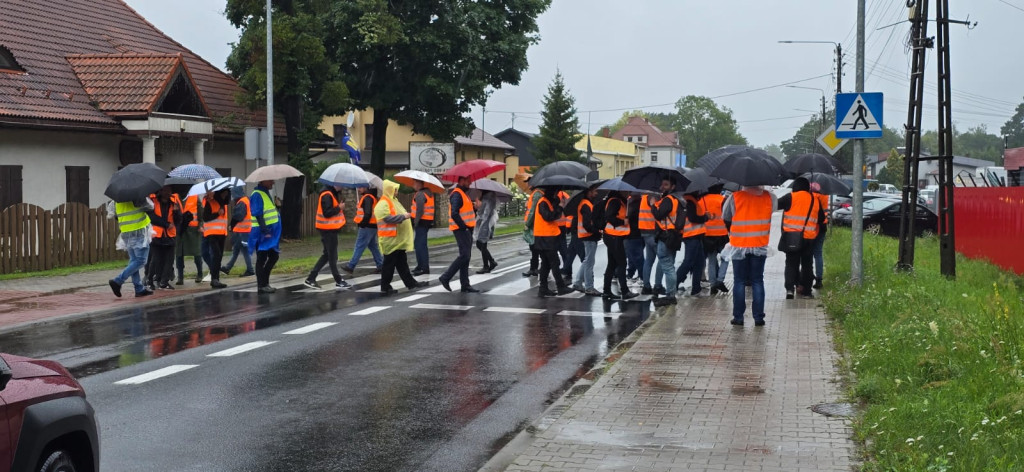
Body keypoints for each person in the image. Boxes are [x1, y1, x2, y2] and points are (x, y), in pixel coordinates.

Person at [723, 185, 777, 326]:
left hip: (739, 244)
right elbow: (772, 212)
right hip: (760, 244)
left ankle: (738, 317)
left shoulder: (735, 197)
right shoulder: (770, 197)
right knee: (757, 280)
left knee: (739, 281)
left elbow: (726, 217)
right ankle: (758, 318)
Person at [375, 180, 430, 295]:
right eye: (395, 189)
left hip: (396, 240)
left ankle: (410, 283)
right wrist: (403, 217)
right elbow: (387, 218)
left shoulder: (393, 201)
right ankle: (385, 286)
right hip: (390, 239)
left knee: (401, 263)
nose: (396, 192)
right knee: (389, 264)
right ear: (389, 190)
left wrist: (404, 216)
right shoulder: (383, 203)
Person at [778, 177, 823, 299]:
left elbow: (776, 204)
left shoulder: (790, 197)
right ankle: (807, 291)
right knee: (807, 264)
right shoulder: (815, 200)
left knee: (791, 264)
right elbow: (821, 219)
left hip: (791, 237)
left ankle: (789, 289)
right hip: (809, 238)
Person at [304, 184, 351, 290]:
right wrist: (339, 208)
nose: (342, 187)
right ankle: (338, 280)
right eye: (341, 184)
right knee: (332, 256)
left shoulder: (330, 194)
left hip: (329, 229)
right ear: (335, 184)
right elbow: (327, 213)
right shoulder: (327, 195)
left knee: (327, 255)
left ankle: (311, 278)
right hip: (328, 229)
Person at [108, 196, 156, 298]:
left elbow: (113, 214)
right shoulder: (137, 197)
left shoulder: (116, 200)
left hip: (126, 231)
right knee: (141, 261)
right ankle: (118, 281)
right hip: (139, 230)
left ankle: (139, 289)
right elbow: (151, 207)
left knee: (134, 260)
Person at [440, 176, 480, 293]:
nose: (470, 183)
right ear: (461, 181)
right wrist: (464, 227)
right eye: (468, 181)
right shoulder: (457, 194)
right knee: (464, 256)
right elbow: (454, 213)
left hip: (466, 229)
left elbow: (466, 212)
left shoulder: (463, 194)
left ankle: (465, 285)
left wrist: (475, 208)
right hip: (461, 229)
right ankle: (446, 277)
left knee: (466, 257)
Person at [534, 187, 573, 297]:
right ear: (552, 193)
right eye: (556, 193)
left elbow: (554, 214)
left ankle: (543, 288)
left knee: (546, 264)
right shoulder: (543, 202)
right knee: (554, 262)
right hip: (545, 237)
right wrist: (560, 206)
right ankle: (560, 287)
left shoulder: (548, 202)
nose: (557, 195)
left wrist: (558, 204)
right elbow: (549, 217)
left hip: (545, 237)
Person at [650, 177, 680, 307]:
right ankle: (670, 294)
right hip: (672, 236)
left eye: (666, 185)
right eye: (662, 184)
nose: (663, 187)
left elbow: (659, 215)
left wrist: (653, 205)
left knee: (668, 267)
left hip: (666, 236)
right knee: (670, 266)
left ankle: (670, 295)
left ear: (672, 187)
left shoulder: (668, 200)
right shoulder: (675, 199)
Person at [603, 191, 638, 300]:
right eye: (627, 191)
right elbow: (609, 217)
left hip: (614, 236)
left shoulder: (620, 201)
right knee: (622, 263)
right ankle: (624, 291)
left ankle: (606, 291)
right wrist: (623, 222)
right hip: (614, 236)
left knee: (612, 264)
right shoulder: (615, 201)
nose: (628, 193)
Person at [249, 180, 282, 293]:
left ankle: (264, 283)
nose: (273, 182)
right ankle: (261, 285)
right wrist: (265, 230)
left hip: (268, 232)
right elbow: (258, 214)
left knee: (273, 256)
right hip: (261, 233)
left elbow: (269, 213)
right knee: (262, 258)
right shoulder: (257, 194)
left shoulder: (265, 193)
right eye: (270, 181)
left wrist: (278, 207)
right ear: (263, 181)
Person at [343, 186, 383, 273]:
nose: (358, 189)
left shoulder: (367, 198)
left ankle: (351, 266)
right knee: (373, 246)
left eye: (360, 187)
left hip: (366, 226)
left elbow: (367, 213)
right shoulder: (371, 197)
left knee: (359, 245)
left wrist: (362, 224)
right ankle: (380, 265)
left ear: (366, 187)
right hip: (372, 226)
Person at [571, 185, 602, 296]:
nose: (596, 193)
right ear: (589, 192)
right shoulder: (586, 205)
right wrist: (597, 231)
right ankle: (589, 287)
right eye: (595, 191)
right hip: (589, 236)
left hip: (587, 235)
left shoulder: (586, 203)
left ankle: (578, 283)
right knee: (589, 262)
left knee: (586, 260)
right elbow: (587, 224)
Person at [147, 186, 180, 290]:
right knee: (156, 259)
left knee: (169, 260)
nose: (168, 192)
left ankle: (164, 282)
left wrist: (176, 212)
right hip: (156, 234)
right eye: (165, 190)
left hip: (170, 235)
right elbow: (151, 217)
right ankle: (149, 280)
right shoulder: (153, 202)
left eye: (169, 190)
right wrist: (166, 224)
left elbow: (178, 220)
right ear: (160, 191)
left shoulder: (174, 203)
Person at [675, 192, 708, 297]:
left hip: (695, 235)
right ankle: (674, 285)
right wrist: (705, 217)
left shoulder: (689, 200)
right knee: (688, 262)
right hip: (692, 235)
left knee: (699, 262)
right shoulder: (689, 201)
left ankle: (696, 289)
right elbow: (693, 218)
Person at [701, 184, 730, 296]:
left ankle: (713, 284)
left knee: (712, 261)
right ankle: (720, 280)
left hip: (707, 235)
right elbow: (727, 217)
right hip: (722, 235)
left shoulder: (702, 200)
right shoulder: (723, 200)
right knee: (725, 258)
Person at [221, 186, 254, 277]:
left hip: (241, 231)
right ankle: (228, 268)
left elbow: (238, 216)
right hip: (244, 230)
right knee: (237, 250)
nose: (232, 197)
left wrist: (231, 225)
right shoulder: (245, 200)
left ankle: (250, 270)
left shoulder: (241, 202)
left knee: (243, 250)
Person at [202, 188, 231, 289]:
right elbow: (205, 217)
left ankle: (216, 279)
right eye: (223, 193)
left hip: (222, 233)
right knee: (216, 255)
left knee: (219, 257)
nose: (225, 195)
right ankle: (214, 279)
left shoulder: (224, 205)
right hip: (212, 233)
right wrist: (217, 214)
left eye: (226, 194)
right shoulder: (211, 202)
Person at [175, 193, 203, 285]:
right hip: (180, 230)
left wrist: (200, 225)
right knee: (179, 254)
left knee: (197, 253)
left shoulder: (194, 196)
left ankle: (200, 274)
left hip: (193, 230)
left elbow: (200, 212)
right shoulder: (175, 197)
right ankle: (180, 277)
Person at [410, 180, 435, 275]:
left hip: (421, 222)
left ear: (418, 185)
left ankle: (423, 267)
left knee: (420, 245)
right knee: (419, 244)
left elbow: (419, 210)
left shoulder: (420, 194)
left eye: (414, 183)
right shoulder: (427, 193)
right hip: (426, 221)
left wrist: (415, 222)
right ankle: (420, 266)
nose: (413, 185)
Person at [637, 191, 660, 295]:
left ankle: (646, 286)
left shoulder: (644, 197)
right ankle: (658, 285)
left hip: (644, 231)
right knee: (663, 259)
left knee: (649, 260)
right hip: (652, 231)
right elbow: (657, 212)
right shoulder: (654, 196)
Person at [474, 188, 499, 274]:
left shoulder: (489, 197)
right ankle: (490, 263)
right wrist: (477, 207)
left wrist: (483, 224)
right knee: (481, 244)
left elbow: (487, 213)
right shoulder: (485, 197)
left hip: (486, 223)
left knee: (481, 243)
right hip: (483, 222)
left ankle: (487, 265)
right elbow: (482, 211)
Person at [811, 183, 829, 289]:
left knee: (808, 254)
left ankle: (807, 277)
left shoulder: (813, 196)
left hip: (812, 227)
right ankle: (819, 279)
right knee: (818, 253)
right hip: (823, 226)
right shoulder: (825, 195)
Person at [624, 192, 645, 284]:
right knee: (633, 255)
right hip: (637, 233)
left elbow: (630, 216)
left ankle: (642, 277)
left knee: (636, 256)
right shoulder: (635, 202)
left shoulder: (634, 204)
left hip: (634, 233)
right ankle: (632, 273)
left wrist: (626, 217)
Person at [522, 185, 542, 277]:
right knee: (535, 248)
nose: (528, 185)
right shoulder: (535, 194)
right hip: (534, 225)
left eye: (529, 183)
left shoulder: (536, 194)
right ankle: (534, 268)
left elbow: (533, 211)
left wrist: (528, 224)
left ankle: (534, 268)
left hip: (534, 225)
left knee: (534, 247)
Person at [556, 190, 573, 284]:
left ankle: (567, 272)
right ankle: (566, 272)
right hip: (558, 226)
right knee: (562, 251)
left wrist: (568, 225)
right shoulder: (563, 194)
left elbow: (569, 211)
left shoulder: (562, 195)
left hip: (559, 226)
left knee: (563, 251)